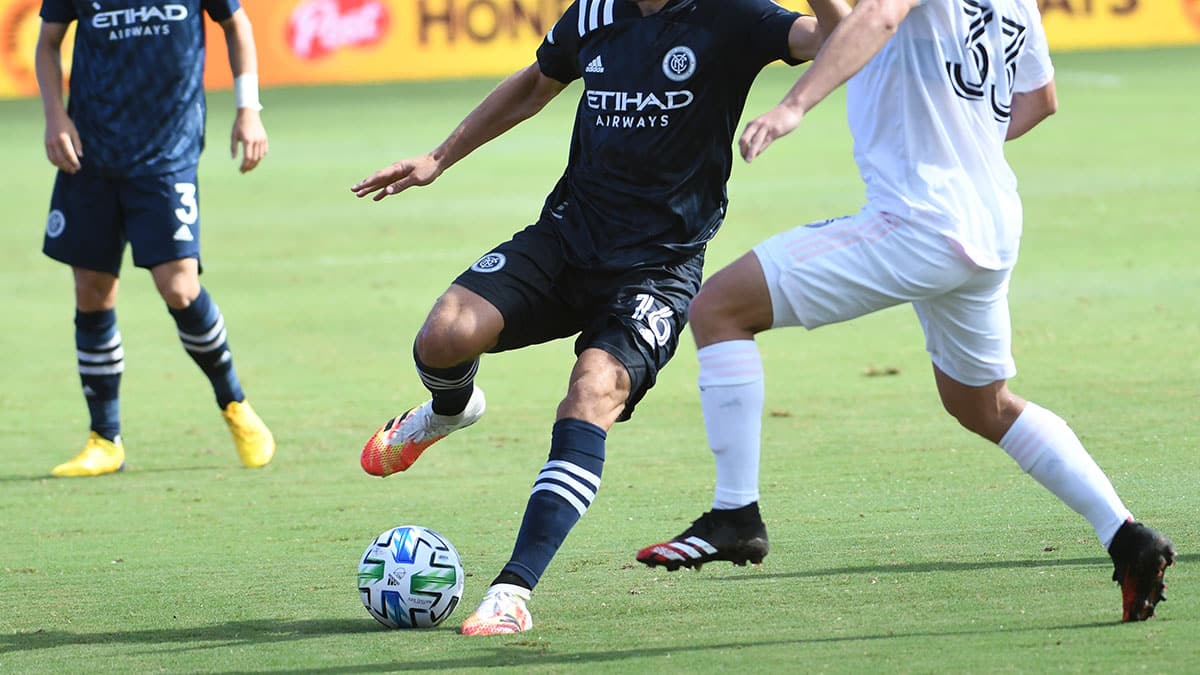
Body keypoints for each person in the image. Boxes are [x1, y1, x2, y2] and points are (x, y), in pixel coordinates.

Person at [634, 0, 1176, 623]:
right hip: (990, 221)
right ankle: (1125, 535)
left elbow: (881, 17)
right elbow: (1040, 99)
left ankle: (735, 512)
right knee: (982, 404)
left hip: (919, 222)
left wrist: (793, 105)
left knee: (719, 309)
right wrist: (956, 137)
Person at [352, 0, 851, 636]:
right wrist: (438, 158)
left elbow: (834, 36)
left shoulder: (734, 15)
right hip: (565, 240)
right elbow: (536, 83)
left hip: (656, 271)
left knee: (592, 393)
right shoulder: (594, 11)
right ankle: (448, 411)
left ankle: (512, 592)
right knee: (444, 335)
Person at [36, 0, 275, 477]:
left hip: (167, 152)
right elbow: (47, 43)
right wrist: (55, 117)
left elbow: (236, 24)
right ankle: (105, 440)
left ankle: (235, 404)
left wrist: (248, 109)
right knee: (92, 291)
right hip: (91, 151)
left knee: (180, 287)